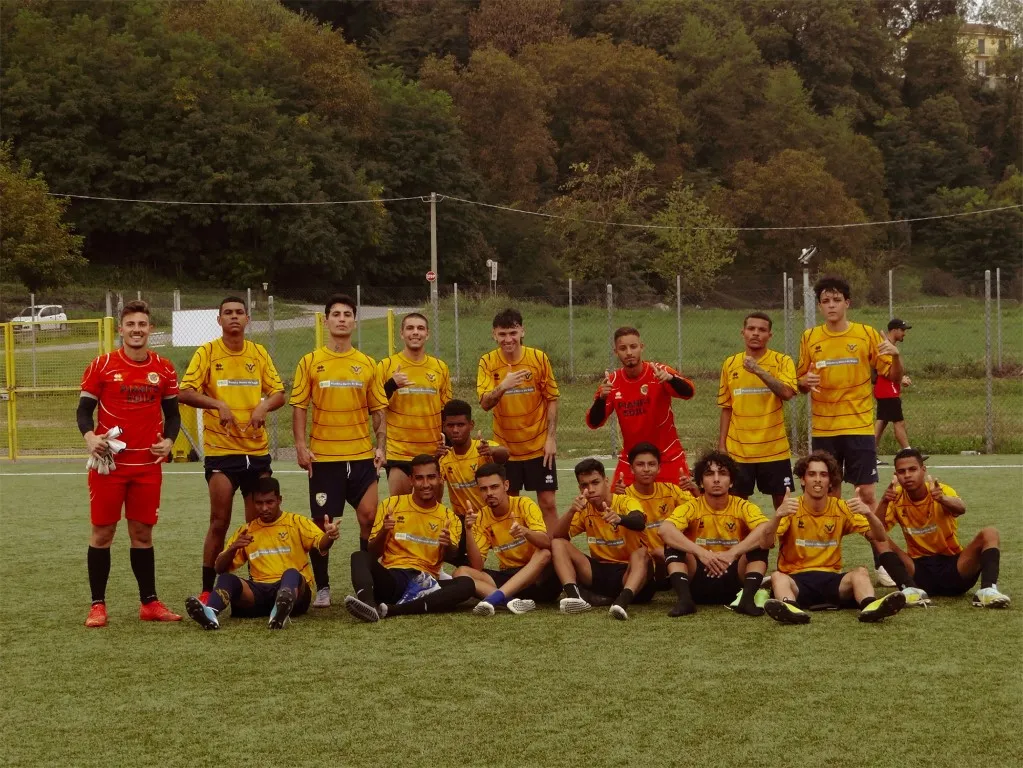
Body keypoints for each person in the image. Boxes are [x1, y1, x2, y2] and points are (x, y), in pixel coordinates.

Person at [78, 300, 182, 627]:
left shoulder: (164, 368)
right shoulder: (102, 365)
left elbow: (174, 415)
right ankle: (98, 605)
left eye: (142, 324)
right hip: (109, 464)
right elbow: (83, 411)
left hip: (147, 465)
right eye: (131, 324)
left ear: (150, 329)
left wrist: (168, 440)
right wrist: (90, 437)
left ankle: (149, 603)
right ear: (121, 329)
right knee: (103, 533)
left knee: (142, 533)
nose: (137, 330)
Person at [796, 276, 902, 587]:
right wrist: (804, 382)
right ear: (819, 306)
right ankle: (827, 565)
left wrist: (896, 355)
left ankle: (882, 562)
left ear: (847, 303)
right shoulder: (810, 337)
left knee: (866, 495)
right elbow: (799, 381)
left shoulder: (867, 334)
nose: (831, 306)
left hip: (858, 427)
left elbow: (892, 375)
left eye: (836, 300)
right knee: (827, 497)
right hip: (825, 428)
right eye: (825, 301)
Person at [178, 296, 285, 600]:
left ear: (247, 319)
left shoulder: (258, 352)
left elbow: (278, 393)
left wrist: (264, 407)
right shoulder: (208, 352)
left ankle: (260, 581)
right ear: (219, 319)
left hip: (256, 451)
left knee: (258, 523)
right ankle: (206, 588)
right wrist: (217, 404)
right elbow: (184, 392)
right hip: (222, 453)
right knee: (219, 521)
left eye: (239, 313)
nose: (234, 317)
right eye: (228, 313)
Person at [290, 294, 386, 608]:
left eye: (347, 314)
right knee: (323, 525)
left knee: (369, 516)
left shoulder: (367, 363)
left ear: (354, 321)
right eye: (336, 314)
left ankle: (367, 580)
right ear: (326, 320)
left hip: (360, 456)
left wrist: (381, 446)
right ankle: (323, 587)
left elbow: (378, 410)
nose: (342, 319)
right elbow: (300, 407)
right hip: (325, 458)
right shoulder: (309, 361)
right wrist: (301, 446)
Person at [760, 451, 907, 625]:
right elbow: (765, 543)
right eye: (812, 474)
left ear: (830, 481)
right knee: (778, 577)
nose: (817, 479)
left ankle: (870, 607)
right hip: (796, 579)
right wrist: (777, 516)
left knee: (860, 572)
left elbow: (879, 536)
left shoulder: (841, 508)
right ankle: (790, 609)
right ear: (802, 479)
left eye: (823, 475)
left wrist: (868, 513)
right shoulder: (791, 507)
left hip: (831, 580)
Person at [184, 478, 340, 630]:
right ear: (253, 502)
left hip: (294, 592)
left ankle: (280, 609)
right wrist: (233, 548)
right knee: (227, 579)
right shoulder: (247, 530)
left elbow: (321, 544)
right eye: (259, 503)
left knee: (292, 574)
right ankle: (210, 613)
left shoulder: (296, 522)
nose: (264, 508)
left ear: (279, 499)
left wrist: (330, 535)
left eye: (269, 502)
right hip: (259, 592)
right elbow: (219, 568)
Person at [872, 448, 1010, 608]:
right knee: (877, 537)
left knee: (990, 533)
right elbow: (875, 530)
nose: (907, 475)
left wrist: (942, 499)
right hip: (919, 573)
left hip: (954, 568)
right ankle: (909, 589)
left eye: (912, 469)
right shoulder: (895, 497)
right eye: (901, 472)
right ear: (896, 475)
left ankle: (987, 591)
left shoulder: (938, 490)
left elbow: (961, 508)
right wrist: (883, 501)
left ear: (923, 470)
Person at [344, 455, 475, 622]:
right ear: (411, 480)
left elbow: (451, 556)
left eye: (431, 477)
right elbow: (372, 552)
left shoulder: (449, 517)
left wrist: (447, 544)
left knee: (467, 584)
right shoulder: (391, 505)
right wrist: (384, 531)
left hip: (425, 584)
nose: (426, 484)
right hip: (394, 579)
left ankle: (395, 610)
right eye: (419, 478)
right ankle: (368, 606)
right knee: (359, 556)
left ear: (440, 479)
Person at [657, 451, 771, 618]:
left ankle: (746, 600)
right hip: (698, 577)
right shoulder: (692, 506)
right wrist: (701, 553)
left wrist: (732, 553)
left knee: (762, 542)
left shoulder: (743, 506)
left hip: (733, 576)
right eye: (709, 474)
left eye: (723, 473)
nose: (716, 479)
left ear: (731, 482)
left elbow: (766, 529)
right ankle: (685, 600)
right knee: (672, 543)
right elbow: (665, 530)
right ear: (701, 482)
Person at [477, 308, 560, 529]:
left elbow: (552, 398)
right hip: (506, 451)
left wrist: (551, 439)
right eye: (502, 334)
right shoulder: (487, 362)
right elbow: (485, 404)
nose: (508, 339)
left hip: (538, 447)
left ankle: (555, 553)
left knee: (548, 503)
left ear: (522, 331)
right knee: (509, 505)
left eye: (513, 333)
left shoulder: (538, 358)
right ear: (494, 334)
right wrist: (504, 385)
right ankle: (514, 559)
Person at [586, 327, 694, 486]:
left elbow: (689, 392)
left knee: (685, 506)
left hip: (667, 457)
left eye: (633, 347)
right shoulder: (612, 382)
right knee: (617, 506)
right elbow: (593, 423)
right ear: (616, 352)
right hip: (632, 460)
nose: (629, 352)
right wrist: (601, 399)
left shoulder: (659, 371)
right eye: (623, 348)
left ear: (641, 347)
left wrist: (671, 379)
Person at [550, 458, 652, 621]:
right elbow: (558, 536)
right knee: (557, 544)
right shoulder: (584, 509)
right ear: (580, 488)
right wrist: (571, 511)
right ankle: (575, 597)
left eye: (595, 482)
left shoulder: (625, 501)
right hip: (599, 572)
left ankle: (621, 602)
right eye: (584, 485)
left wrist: (620, 518)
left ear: (606, 481)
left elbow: (639, 521)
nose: (590, 489)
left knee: (642, 553)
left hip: (629, 573)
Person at [454, 463, 560, 616]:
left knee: (545, 554)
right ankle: (511, 601)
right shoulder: (481, 517)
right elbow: (477, 566)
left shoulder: (524, 504)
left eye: (494, 487)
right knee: (460, 572)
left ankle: (496, 598)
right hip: (509, 577)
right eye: (483, 489)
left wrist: (525, 532)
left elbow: (546, 542)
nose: (489, 493)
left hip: (538, 578)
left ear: (506, 485)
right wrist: (468, 530)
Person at [718, 312, 798, 509]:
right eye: (751, 329)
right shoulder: (730, 363)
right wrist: (721, 446)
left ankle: (780, 541)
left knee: (783, 508)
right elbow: (727, 407)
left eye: (762, 330)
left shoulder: (782, 361)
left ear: (770, 335)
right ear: (743, 332)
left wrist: (759, 371)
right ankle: (744, 541)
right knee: (736, 507)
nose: (756, 333)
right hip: (739, 451)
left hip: (774, 450)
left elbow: (787, 393)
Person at [373, 312, 451, 496]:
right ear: (401, 334)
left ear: (427, 334)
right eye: (410, 328)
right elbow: (374, 405)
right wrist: (392, 384)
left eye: (420, 328)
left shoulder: (440, 368)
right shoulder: (385, 365)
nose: (415, 332)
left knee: (431, 514)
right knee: (401, 514)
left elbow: (445, 411)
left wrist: (447, 444)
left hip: (432, 453)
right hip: (399, 454)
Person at [438, 399, 509, 567]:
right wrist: (434, 460)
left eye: (461, 425)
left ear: (471, 425)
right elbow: (432, 492)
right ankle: (461, 567)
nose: (455, 430)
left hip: (490, 514)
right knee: (439, 542)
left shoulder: (483, 448)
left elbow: (505, 454)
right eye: (450, 425)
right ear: (444, 426)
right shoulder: (444, 458)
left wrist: (492, 451)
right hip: (464, 520)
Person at [616, 442, 696, 585]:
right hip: (643, 563)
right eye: (640, 464)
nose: (646, 469)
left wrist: (695, 490)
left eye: (651, 464)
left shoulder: (671, 490)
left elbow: (700, 510)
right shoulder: (624, 497)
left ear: (659, 468)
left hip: (670, 555)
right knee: (660, 552)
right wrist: (615, 498)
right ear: (631, 469)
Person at [874, 318, 914, 462]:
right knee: (899, 421)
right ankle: (909, 453)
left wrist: (900, 377)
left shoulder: (891, 346)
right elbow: (883, 369)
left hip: (888, 388)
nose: (904, 333)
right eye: (903, 330)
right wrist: (899, 378)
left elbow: (894, 369)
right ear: (894, 330)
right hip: (887, 389)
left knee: (882, 421)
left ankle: (869, 454)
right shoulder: (884, 346)